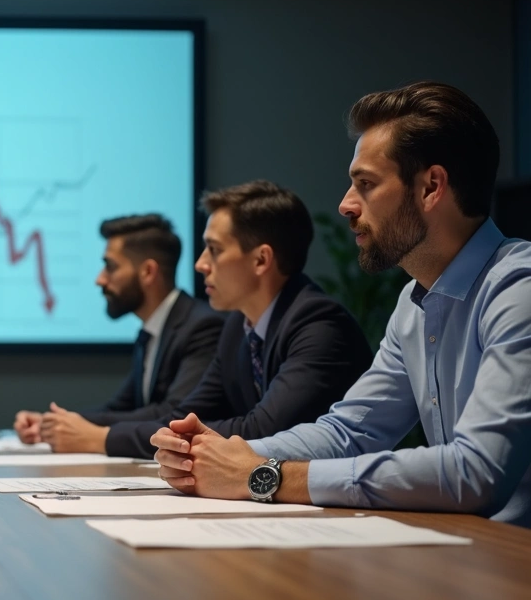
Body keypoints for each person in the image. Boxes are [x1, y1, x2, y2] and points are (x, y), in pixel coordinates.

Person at [152, 82, 531, 527]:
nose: (346, 205)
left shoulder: (517, 290)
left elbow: (476, 472)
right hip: (473, 558)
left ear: (431, 187)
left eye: (365, 184)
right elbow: (350, 432)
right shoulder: (414, 302)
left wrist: (263, 474)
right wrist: (216, 453)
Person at [50, 180, 373, 458]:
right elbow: (184, 416)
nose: (201, 265)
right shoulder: (237, 326)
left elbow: (262, 430)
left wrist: (103, 439)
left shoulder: (319, 325)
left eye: (214, 250)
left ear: (261, 260)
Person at [13, 214, 224, 452]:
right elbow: (118, 408)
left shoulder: (202, 326)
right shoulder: (152, 331)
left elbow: (174, 413)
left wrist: (84, 431)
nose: (99, 279)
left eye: (110, 266)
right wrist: (52, 424)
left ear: (147, 272)